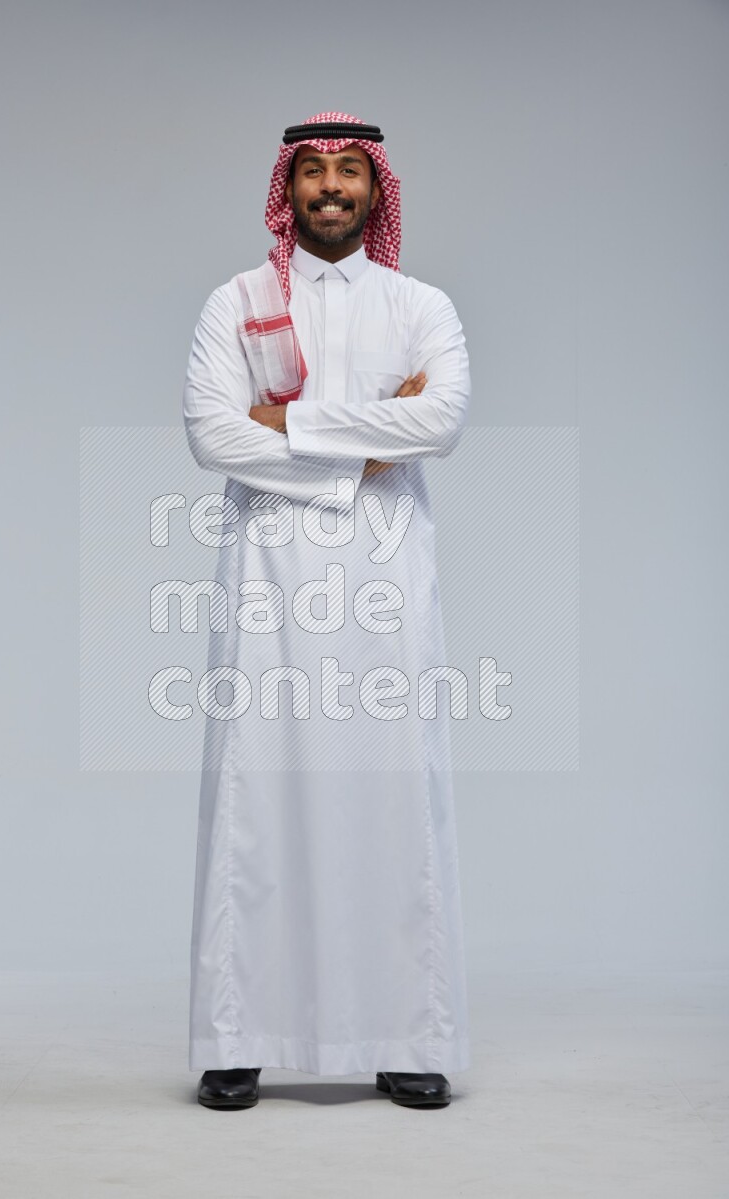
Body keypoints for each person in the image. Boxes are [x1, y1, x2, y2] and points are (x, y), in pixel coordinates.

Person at [182, 112, 472, 1110]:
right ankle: (237, 1033)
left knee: (391, 785)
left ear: (375, 190)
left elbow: (440, 417)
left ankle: (405, 1033)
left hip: (387, 579)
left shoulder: (420, 304)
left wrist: (294, 424)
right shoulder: (238, 301)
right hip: (268, 573)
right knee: (258, 792)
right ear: (288, 189)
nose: (332, 188)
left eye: (350, 171)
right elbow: (212, 437)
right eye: (313, 173)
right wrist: (360, 450)